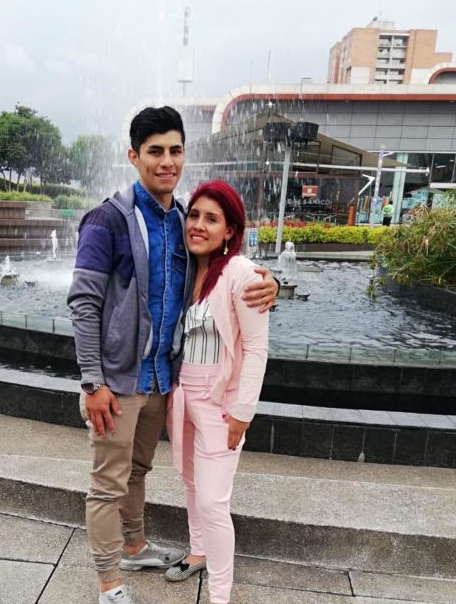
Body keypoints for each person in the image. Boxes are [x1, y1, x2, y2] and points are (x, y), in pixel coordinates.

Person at [67, 106, 278, 604]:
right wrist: (92, 381)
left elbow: (226, 268)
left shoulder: (184, 220)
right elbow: (83, 303)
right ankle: (109, 582)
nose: (167, 161)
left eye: (175, 150)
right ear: (134, 156)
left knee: (138, 471)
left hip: (163, 380)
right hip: (117, 382)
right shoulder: (107, 219)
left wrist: (270, 283)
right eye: (155, 151)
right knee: (108, 483)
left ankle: (134, 546)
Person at [164, 180, 269, 604]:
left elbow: (257, 347)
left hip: (220, 405)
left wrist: (243, 412)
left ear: (230, 230)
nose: (198, 225)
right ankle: (198, 551)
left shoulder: (241, 273)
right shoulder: (190, 269)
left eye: (212, 219)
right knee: (191, 483)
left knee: (213, 502)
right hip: (183, 399)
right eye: (194, 215)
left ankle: (220, 595)